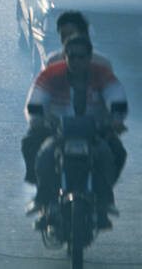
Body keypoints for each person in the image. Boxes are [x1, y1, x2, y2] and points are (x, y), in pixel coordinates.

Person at [24, 34, 128, 229]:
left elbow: (116, 96)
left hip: (95, 133)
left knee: (112, 154)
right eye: (72, 56)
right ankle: (44, 200)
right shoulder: (51, 74)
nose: (76, 61)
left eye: (81, 57)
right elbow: (37, 98)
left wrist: (116, 119)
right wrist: (37, 120)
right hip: (59, 132)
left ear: (89, 58)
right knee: (45, 157)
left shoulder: (102, 74)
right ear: (65, 57)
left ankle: (104, 201)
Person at [20, 12, 121, 184]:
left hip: (94, 128)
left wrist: (114, 120)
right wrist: (37, 119)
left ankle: (104, 195)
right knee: (30, 143)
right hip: (58, 127)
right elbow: (40, 95)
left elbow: (112, 97)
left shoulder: (102, 63)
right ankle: (42, 192)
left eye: (71, 35)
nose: (66, 40)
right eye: (62, 36)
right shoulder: (53, 61)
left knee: (117, 153)